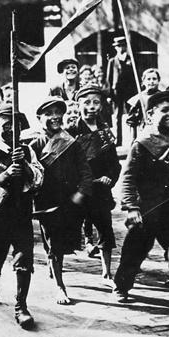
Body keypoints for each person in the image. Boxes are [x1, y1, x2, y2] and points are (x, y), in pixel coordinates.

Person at [113, 91, 169, 321]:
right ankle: (121, 285)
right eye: (165, 110)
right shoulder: (142, 144)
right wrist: (131, 208)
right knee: (134, 254)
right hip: (147, 213)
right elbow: (128, 178)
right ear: (151, 114)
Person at [0, 104, 44, 330]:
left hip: (22, 212)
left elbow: (39, 177)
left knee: (24, 259)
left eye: (16, 126)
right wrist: (4, 176)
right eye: (5, 126)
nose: (11, 130)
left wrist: (24, 166)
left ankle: (21, 306)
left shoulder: (27, 151)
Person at [29, 97, 93, 305]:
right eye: (49, 114)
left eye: (58, 113)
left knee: (62, 242)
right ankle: (59, 286)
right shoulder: (33, 143)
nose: (55, 117)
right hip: (46, 202)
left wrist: (82, 192)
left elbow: (85, 170)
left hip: (69, 201)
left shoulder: (71, 142)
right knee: (54, 243)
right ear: (40, 118)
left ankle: (52, 263)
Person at [66, 85, 121, 284]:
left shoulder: (106, 132)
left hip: (101, 191)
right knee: (66, 229)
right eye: (87, 102)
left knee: (105, 228)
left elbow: (115, 164)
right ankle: (57, 270)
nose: (92, 107)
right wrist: (84, 182)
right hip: (79, 189)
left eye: (96, 102)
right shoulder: (71, 131)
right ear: (78, 104)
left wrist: (109, 178)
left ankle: (106, 272)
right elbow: (67, 165)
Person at [107, 36, 137, 146]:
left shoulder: (131, 60)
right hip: (117, 93)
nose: (120, 48)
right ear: (115, 48)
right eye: (118, 46)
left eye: (122, 46)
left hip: (130, 92)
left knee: (132, 115)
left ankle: (133, 140)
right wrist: (109, 94)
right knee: (117, 116)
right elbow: (109, 79)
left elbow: (135, 77)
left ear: (126, 46)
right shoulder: (112, 61)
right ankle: (118, 141)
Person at [126, 68, 161, 134]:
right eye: (148, 79)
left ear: (158, 80)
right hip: (144, 131)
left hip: (159, 131)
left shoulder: (163, 96)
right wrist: (134, 138)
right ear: (143, 82)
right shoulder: (139, 98)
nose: (151, 81)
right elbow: (133, 122)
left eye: (154, 79)